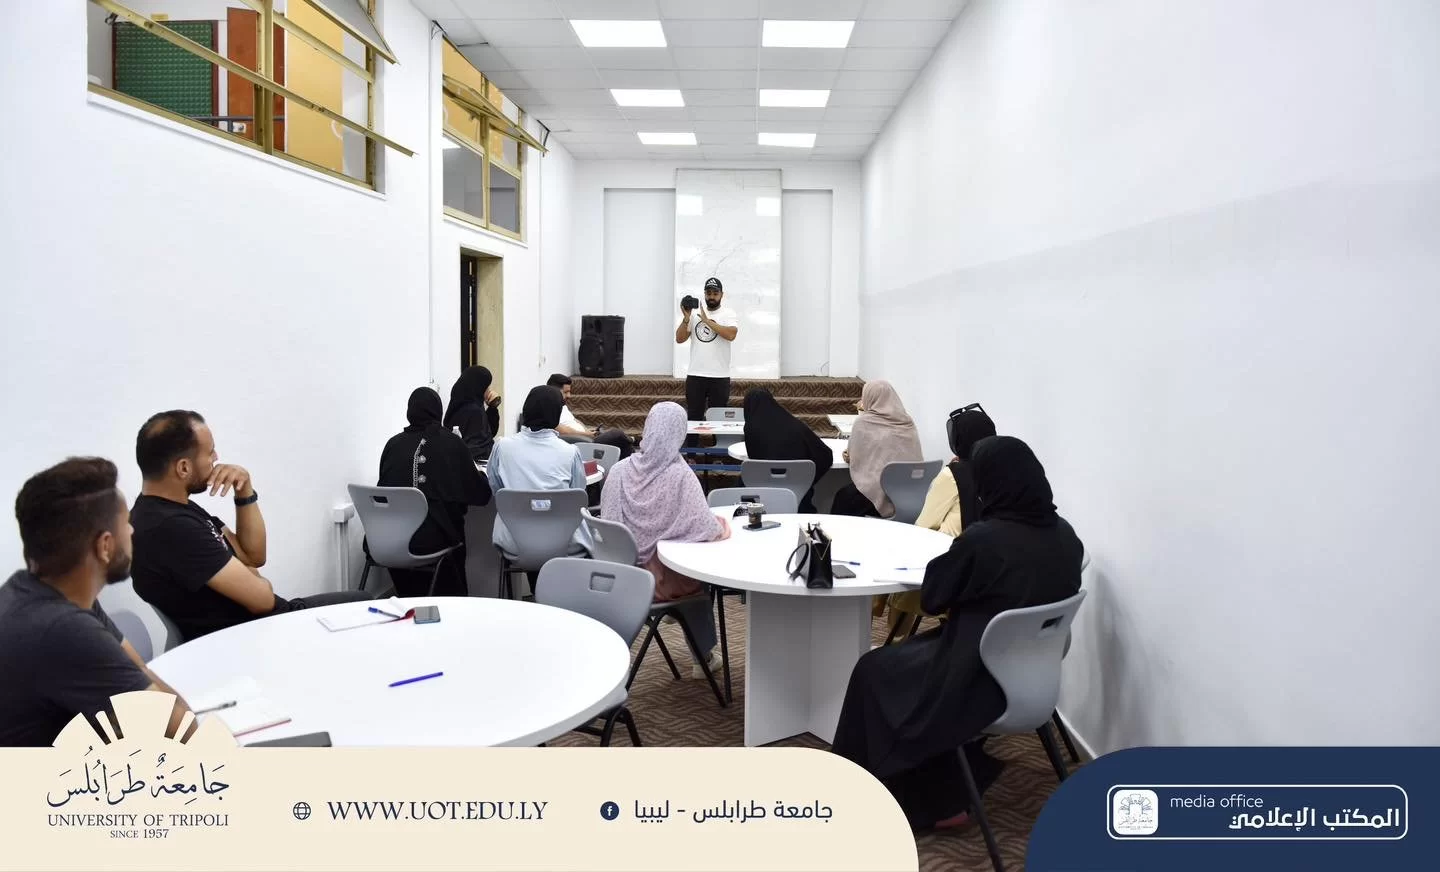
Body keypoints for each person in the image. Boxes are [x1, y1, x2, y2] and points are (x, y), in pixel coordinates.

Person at [830, 436, 1084, 831]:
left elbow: (933, 599)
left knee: (872, 670)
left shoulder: (985, 541)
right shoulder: (1067, 537)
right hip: (1034, 677)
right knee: (896, 665)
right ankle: (944, 780)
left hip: (972, 678)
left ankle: (875, 790)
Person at [129, 410, 370, 642]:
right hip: (255, 635)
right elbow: (263, 600)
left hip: (262, 624)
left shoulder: (170, 510)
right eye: (210, 452)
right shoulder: (173, 528)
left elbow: (253, 556)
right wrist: (256, 579)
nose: (216, 458)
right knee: (367, 605)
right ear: (183, 468)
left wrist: (244, 489)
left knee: (363, 600)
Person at [2, 457, 193, 747]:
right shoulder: (63, 628)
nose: (132, 531)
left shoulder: (36, 591)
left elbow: (138, 669)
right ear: (105, 546)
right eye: (125, 523)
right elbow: (183, 730)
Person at [600, 402, 727, 678]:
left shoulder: (619, 471)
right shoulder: (681, 475)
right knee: (699, 578)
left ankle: (674, 618)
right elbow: (705, 529)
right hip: (664, 580)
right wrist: (724, 524)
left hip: (622, 575)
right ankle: (702, 658)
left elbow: (608, 525)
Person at [887, 403, 998, 639]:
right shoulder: (1000, 471)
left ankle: (895, 640)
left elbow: (924, 526)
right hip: (986, 567)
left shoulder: (952, 475)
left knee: (896, 570)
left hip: (951, 564)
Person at [375, 387, 492, 597]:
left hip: (386, 540)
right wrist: (482, 475)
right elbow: (481, 495)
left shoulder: (392, 445)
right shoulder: (450, 443)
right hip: (431, 543)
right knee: (450, 525)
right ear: (438, 411)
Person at [488, 386, 593, 567]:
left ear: (527, 410)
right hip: (566, 544)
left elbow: (497, 490)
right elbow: (578, 496)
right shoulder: (570, 452)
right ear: (556, 414)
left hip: (514, 543)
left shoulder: (502, 446)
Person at [831, 380, 923, 518]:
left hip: (880, 496)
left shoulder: (863, 422)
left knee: (844, 497)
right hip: (911, 494)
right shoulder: (907, 421)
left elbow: (853, 457)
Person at [741, 388, 833, 513]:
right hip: (800, 495)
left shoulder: (751, 428)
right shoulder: (793, 424)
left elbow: (756, 458)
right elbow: (825, 455)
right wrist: (809, 480)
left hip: (763, 495)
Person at [675, 277, 739, 442]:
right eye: (708, 293)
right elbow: (679, 339)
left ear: (721, 295)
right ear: (704, 294)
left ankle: (718, 453)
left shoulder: (728, 314)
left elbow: (731, 335)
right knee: (693, 416)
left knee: (719, 418)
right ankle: (691, 454)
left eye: (715, 293)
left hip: (719, 376)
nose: (711, 297)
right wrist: (686, 318)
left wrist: (706, 321)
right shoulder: (694, 315)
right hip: (696, 374)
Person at [545, 373, 635, 459]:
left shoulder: (562, 405)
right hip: (581, 442)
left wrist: (587, 430)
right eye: (565, 392)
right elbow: (564, 432)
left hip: (586, 437)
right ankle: (631, 441)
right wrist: (587, 435)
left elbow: (574, 420)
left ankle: (630, 460)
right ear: (554, 391)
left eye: (569, 392)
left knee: (623, 445)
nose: (569, 396)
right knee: (617, 434)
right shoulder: (549, 410)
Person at [444, 366, 502, 462]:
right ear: (478, 386)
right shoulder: (474, 411)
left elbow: (488, 432)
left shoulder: (458, 403)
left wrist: (492, 408)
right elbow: (481, 446)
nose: (489, 390)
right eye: (486, 386)